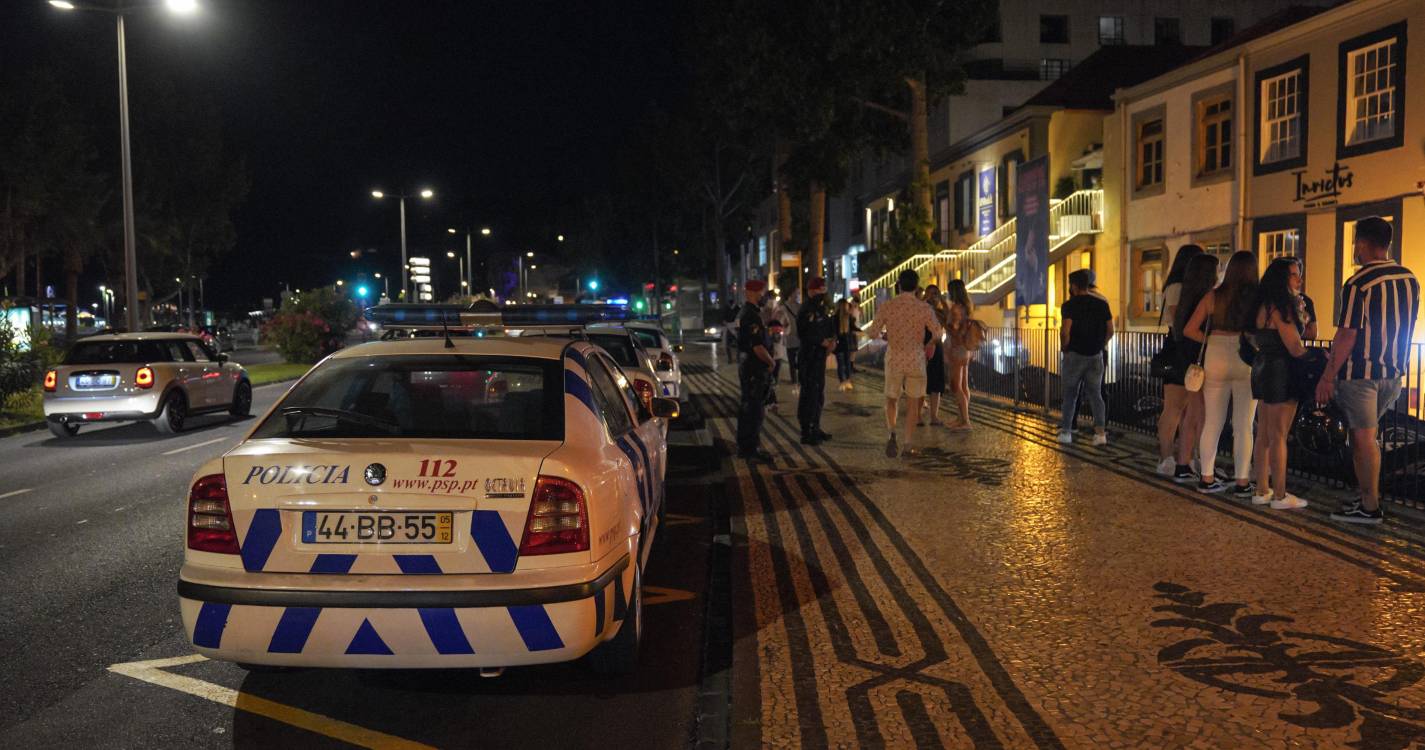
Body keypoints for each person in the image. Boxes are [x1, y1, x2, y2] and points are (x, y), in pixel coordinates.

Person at [1319, 217, 1419, 524]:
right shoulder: (1409, 279)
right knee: (1368, 436)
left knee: (1363, 440)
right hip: (1394, 373)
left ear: (1362, 243)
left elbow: (1348, 334)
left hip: (1361, 375)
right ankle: (1366, 497)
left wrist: (1327, 375)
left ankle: (1370, 505)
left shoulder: (1358, 283)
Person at [1184, 250, 1259, 495]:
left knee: (1213, 421)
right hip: (1245, 356)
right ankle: (1242, 481)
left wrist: (1210, 341)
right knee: (1244, 425)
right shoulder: (1257, 297)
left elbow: (1189, 330)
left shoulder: (1214, 296)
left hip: (1215, 354)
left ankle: (1207, 478)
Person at [1249, 257, 1311, 510]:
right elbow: (1295, 346)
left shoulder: (1262, 305)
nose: (1299, 279)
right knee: (1279, 435)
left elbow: (1253, 337)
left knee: (1263, 434)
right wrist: (1316, 361)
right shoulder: (1281, 307)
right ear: (1282, 278)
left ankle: (1262, 489)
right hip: (1281, 372)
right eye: (1294, 275)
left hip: (1262, 367)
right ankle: (1281, 495)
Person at [871, 269, 942, 458]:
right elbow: (937, 333)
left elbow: (872, 332)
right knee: (913, 403)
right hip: (916, 359)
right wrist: (927, 344)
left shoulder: (888, 306)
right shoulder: (924, 308)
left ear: (899, 285)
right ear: (916, 286)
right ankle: (908, 443)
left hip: (894, 358)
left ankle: (892, 431)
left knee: (891, 399)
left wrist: (887, 335)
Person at [1165, 254, 1218, 482]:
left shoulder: (1187, 296)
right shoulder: (1205, 299)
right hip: (1200, 362)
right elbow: (1191, 330)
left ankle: (1184, 463)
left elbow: (1182, 331)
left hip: (1187, 360)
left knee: (1191, 414)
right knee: (1199, 415)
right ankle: (1187, 463)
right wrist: (1213, 342)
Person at [1155, 244, 1205, 476]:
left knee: (1190, 409)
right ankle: (1166, 457)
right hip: (1179, 349)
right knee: (1174, 407)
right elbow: (1178, 322)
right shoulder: (1176, 287)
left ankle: (1187, 456)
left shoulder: (1187, 287)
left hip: (1189, 348)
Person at [1057, 269, 1113, 445]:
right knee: (1096, 394)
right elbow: (1110, 330)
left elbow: (1066, 331)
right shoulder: (1101, 304)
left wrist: (1064, 347)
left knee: (1070, 394)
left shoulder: (1069, 305)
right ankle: (1100, 434)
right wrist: (1100, 344)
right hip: (1095, 355)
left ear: (1073, 286)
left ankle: (1066, 432)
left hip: (1075, 354)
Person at [736, 280, 777, 462]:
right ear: (752, 293)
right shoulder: (750, 315)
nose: (763, 296)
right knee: (754, 410)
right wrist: (771, 362)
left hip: (750, 368)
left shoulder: (751, 313)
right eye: (761, 292)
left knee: (750, 409)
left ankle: (747, 447)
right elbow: (757, 346)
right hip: (754, 368)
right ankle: (750, 450)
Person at [796, 277, 837, 445]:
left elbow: (827, 327)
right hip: (809, 357)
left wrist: (832, 341)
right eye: (819, 290)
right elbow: (805, 333)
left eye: (824, 290)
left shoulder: (821, 309)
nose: (823, 293)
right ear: (811, 291)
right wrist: (822, 342)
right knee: (809, 394)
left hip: (819, 357)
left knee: (818, 394)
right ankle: (807, 431)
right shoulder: (807, 309)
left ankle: (816, 426)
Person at [943, 279, 974, 431]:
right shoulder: (967, 307)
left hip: (956, 349)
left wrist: (945, 323)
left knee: (955, 385)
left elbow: (953, 331)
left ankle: (965, 421)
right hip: (965, 349)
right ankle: (961, 418)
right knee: (963, 385)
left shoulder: (955, 309)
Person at [921, 284, 949, 426]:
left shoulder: (939, 311)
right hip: (922, 346)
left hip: (936, 347)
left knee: (936, 384)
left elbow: (948, 319)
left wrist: (942, 301)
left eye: (935, 294)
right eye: (930, 293)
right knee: (921, 383)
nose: (932, 297)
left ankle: (934, 416)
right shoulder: (920, 308)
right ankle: (918, 417)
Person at [778, 289, 802, 391]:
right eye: (796, 293)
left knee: (796, 360)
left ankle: (796, 379)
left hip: (795, 337)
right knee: (795, 360)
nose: (798, 295)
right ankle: (796, 379)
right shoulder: (785, 308)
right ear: (791, 294)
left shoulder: (797, 306)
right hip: (794, 337)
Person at [835, 296, 860, 390]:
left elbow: (853, 327)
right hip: (844, 343)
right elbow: (853, 328)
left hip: (841, 344)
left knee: (842, 363)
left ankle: (844, 381)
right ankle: (846, 381)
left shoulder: (838, 317)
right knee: (845, 363)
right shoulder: (847, 317)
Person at [720, 296, 740, 364]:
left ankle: (734, 359)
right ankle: (731, 359)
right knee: (728, 345)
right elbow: (722, 318)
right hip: (730, 327)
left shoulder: (736, 308)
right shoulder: (728, 308)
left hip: (734, 327)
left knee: (736, 344)